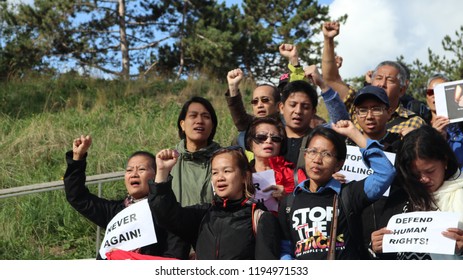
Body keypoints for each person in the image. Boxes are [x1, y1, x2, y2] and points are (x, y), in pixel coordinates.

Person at [279, 120, 396, 260]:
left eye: (326, 154)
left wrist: (354, 134)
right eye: (312, 151)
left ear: (339, 165)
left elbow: (385, 174)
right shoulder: (289, 202)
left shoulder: (349, 194)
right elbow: (285, 247)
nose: (317, 159)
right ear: (305, 155)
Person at [63, 135, 189, 260]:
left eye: (141, 169)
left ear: (156, 175)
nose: (134, 174)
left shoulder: (170, 214)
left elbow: (174, 258)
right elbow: (77, 196)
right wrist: (77, 158)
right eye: (129, 170)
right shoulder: (115, 212)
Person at [148, 146, 281, 260]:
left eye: (227, 171)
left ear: (244, 176)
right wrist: (162, 172)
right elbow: (166, 214)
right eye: (215, 172)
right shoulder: (202, 215)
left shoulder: (261, 218)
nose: (220, 178)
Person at [370, 125, 463, 260]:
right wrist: (376, 247)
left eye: (430, 171)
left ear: (445, 161)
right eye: (415, 174)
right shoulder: (400, 198)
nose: (423, 179)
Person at [321, 21, 426, 135]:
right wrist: (328, 40)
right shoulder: (355, 105)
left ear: (402, 90)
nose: (382, 84)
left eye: (390, 80)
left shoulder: (415, 123)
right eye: (379, 78)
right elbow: (331, 79)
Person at [171, 96, 221, 206]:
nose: (199, 121)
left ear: (212, 126)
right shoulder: (168, 161)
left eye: (206, 117)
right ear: (182, 124)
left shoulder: (225, 159)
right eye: (193, 116)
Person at [244, 117, 294, 206]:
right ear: (250, 142)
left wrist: (287, 198)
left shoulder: (295, 175)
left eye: (275, 138)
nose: (269, 141)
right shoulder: (240, 175)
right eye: (261, 137)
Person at [425, 73, 463, 167]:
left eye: (440, 91)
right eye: (431, 92)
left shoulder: (461, 124)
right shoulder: (420, 126)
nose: (435, 95)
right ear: (426, 97)